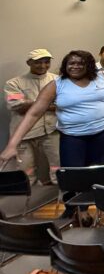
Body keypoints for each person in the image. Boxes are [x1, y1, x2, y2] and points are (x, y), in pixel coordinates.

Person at [1, 51, 104, 219]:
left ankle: (88, 207)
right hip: (73, 137)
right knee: (72, 174)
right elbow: (34, 113)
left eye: (80, 63)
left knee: (95, 172)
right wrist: (12, 145)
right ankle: (74, 209)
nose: (75, 66)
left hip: (102, 134)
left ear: (89, 65)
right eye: (71, 63)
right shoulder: (56, 84)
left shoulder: (102, 79)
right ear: (65, 66)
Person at [3, 49, 59, 185]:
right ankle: (27, 202)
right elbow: (16, 106)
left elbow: (63, 105)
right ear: (29, 63)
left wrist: (30, 102)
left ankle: (62, 197)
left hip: (51, 131)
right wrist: (48, 103)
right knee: (25, 170)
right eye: (38, 62)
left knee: (57, 166)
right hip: (24, 134)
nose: (43, 65)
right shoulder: (14, 83)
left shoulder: (57, 80)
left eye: (46, 62)